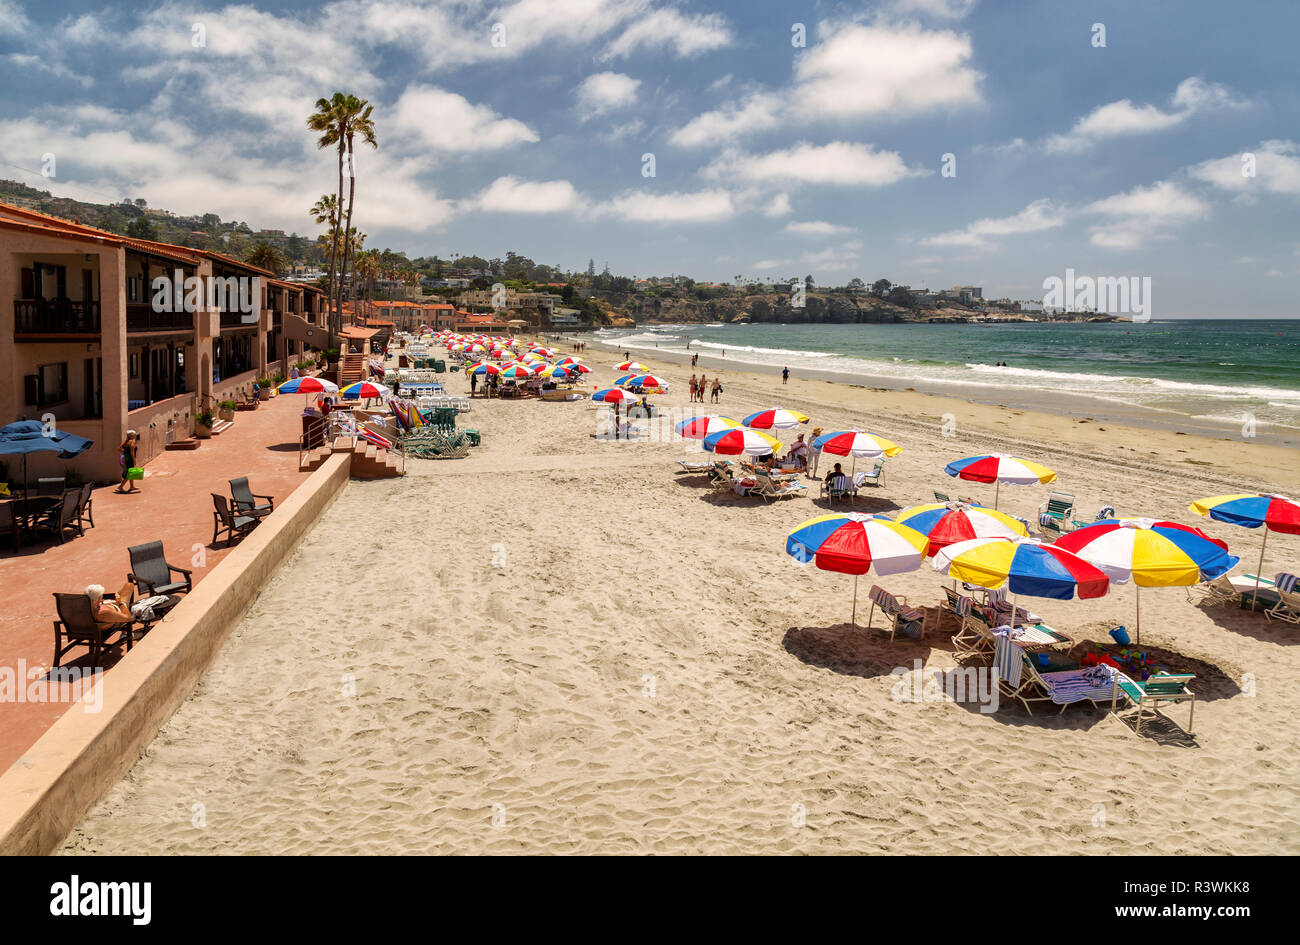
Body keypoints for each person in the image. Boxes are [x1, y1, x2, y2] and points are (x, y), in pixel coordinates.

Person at [117, 429, 139, 494]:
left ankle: (132, 486)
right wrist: (134, 459)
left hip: (126, 459)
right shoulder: (132, 441)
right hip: (130, 460)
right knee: (129, 473)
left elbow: (119, 448)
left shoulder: (126, 441)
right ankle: (120, 487)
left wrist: (124, 453)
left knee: (130, 472)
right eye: (134, 434)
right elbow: (132, 451)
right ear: (132, 435)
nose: (135, 435)